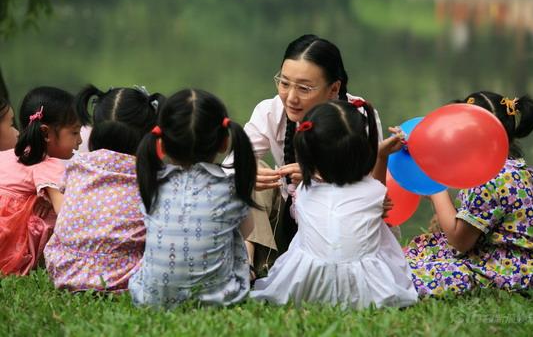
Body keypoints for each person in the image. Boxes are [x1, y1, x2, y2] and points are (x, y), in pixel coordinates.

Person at [236, 34, 385, 274]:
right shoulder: (270, 111)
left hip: (338, 225)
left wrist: (317, 177)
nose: (291, 97)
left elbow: (370, 189)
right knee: (249, 170)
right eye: (284, 83)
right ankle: (247, 265)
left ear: (334, 88)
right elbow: (229, 163)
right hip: (287, 217)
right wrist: (247, 174)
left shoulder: (357, 118)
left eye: (304, 88)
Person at [250, 100, 417, 309]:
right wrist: (381, 156)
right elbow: (379, 197)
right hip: (366, 290)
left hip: (309, 286)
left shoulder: (303, 192)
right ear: (362, 151)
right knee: (382, 231)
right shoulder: (372, 191)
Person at [405, 91, 533, 297]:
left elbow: (460, 241)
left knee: (406, 274)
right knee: (422, 248)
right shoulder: (518, 169)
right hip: (532, 268)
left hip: (505, 272)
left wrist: (436, 189)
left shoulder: (488, 178)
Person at [129, 88, 257, 308]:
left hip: (151, 299)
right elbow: (247, 230)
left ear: (162, 142)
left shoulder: (152, 184)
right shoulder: (230, 188)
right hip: (220, 300)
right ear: (224, 142)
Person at [44, 85, 164, 291]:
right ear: (148, 135)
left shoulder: (78, 165)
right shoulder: (149, 174)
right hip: (124, 275)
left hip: (65, 268)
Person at [0, 87, 81, 275]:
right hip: (9, 248)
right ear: (46, 133)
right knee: (58, 209)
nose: (79, 141)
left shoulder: (7, 155)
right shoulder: (47, 163)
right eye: (75, 133)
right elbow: (64, 210)